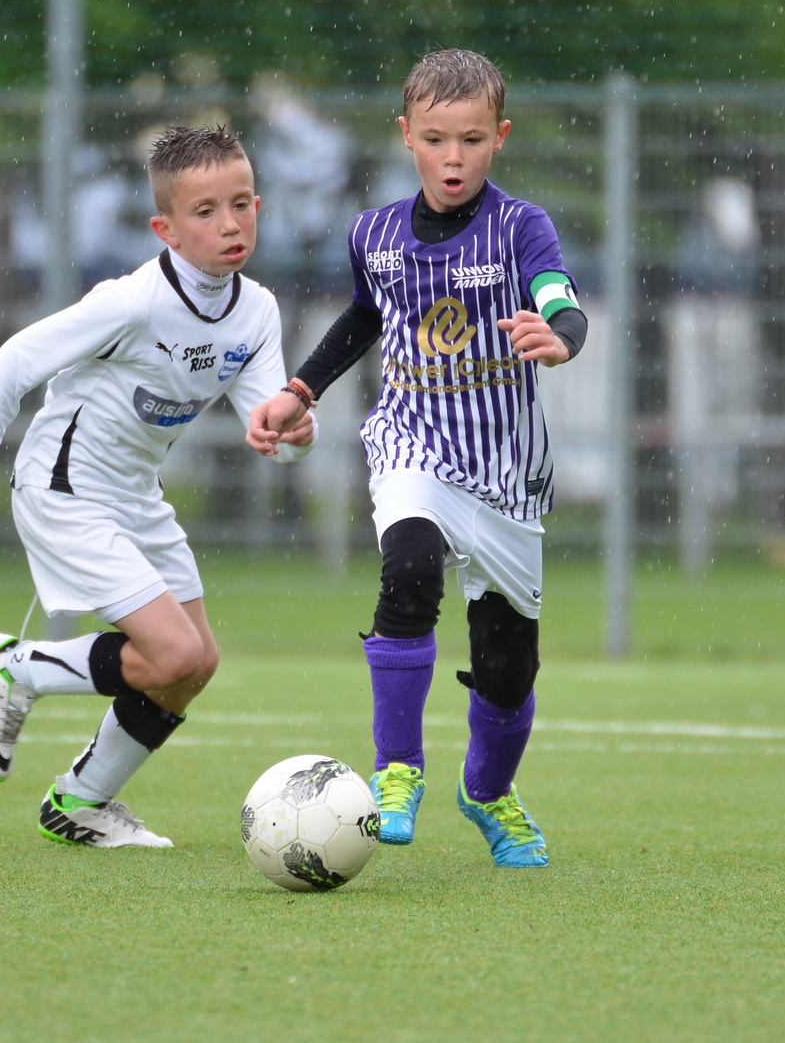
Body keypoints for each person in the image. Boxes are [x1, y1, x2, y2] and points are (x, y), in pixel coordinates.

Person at [246, 50, 587, 868]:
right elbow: (365, 319)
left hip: (504, 467)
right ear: (407, 137)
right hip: (412, 442)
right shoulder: (374, 234)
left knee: (509, 670)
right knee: (409, 572)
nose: (454, 157)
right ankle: (397, 768)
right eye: (436, 139)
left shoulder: (520, 226)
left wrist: (562, 337)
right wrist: (301, 389)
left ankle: (488, 793)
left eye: (472, 139)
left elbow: (555, 294)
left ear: (499, 137)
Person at [0, 125, 315, 848]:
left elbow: (273, 429)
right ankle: (12, 667)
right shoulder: (133, 302)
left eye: (242, 203)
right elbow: (18, 359)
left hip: (136, 498)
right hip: (63, 489)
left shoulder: (257, 311)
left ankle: (78, 802)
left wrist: (296, 437)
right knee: (169, 655)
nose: (230, 224)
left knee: (195, 664)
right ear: (164, 230)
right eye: (205, 212)